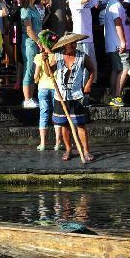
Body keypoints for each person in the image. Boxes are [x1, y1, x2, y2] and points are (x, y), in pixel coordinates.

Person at [52, 33, 96, 162]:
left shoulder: (82, 56)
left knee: (80, 124)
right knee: (64, 125)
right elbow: (50, 69)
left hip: (77, 95)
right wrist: (45, 61)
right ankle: (68, 149)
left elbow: (93, 69)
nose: (74, 45)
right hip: (61, 95)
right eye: (71, 43)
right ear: (65, 45)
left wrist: (88, 84)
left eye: (74, 42)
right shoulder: (58, 56)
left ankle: (86, 151)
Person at [68, 0, 106, 78]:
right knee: (83, 69)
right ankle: (82, 92)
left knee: (91, 68)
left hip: (89, 39)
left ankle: (87, 92)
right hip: (80, 39)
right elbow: (84, 0)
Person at [103, 0, 130, 108]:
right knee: (125, 68)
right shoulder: (116, 5)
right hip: (117, 43)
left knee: (116, 69)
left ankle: (114, 96)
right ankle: (116, 96)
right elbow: (118, 23)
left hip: (112, 43)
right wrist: (123, 42)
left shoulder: (111, 3)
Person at [19, 0, 45, 109]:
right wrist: (39, 42)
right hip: (30, 42)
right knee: (29, 69)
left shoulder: (33, 7)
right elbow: (29, 30)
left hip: (36, 41)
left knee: (34, 68)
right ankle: (27, 98)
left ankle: (31, 96)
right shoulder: (25, 9)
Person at [33, 45, 61, 152]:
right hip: (55, 87)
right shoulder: (57, 56)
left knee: (43, 114)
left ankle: (43, 143)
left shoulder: (40, 57)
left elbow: (36, 76)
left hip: (43, 87)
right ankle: (58, 143)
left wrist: (36, 80)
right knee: (57, 114)